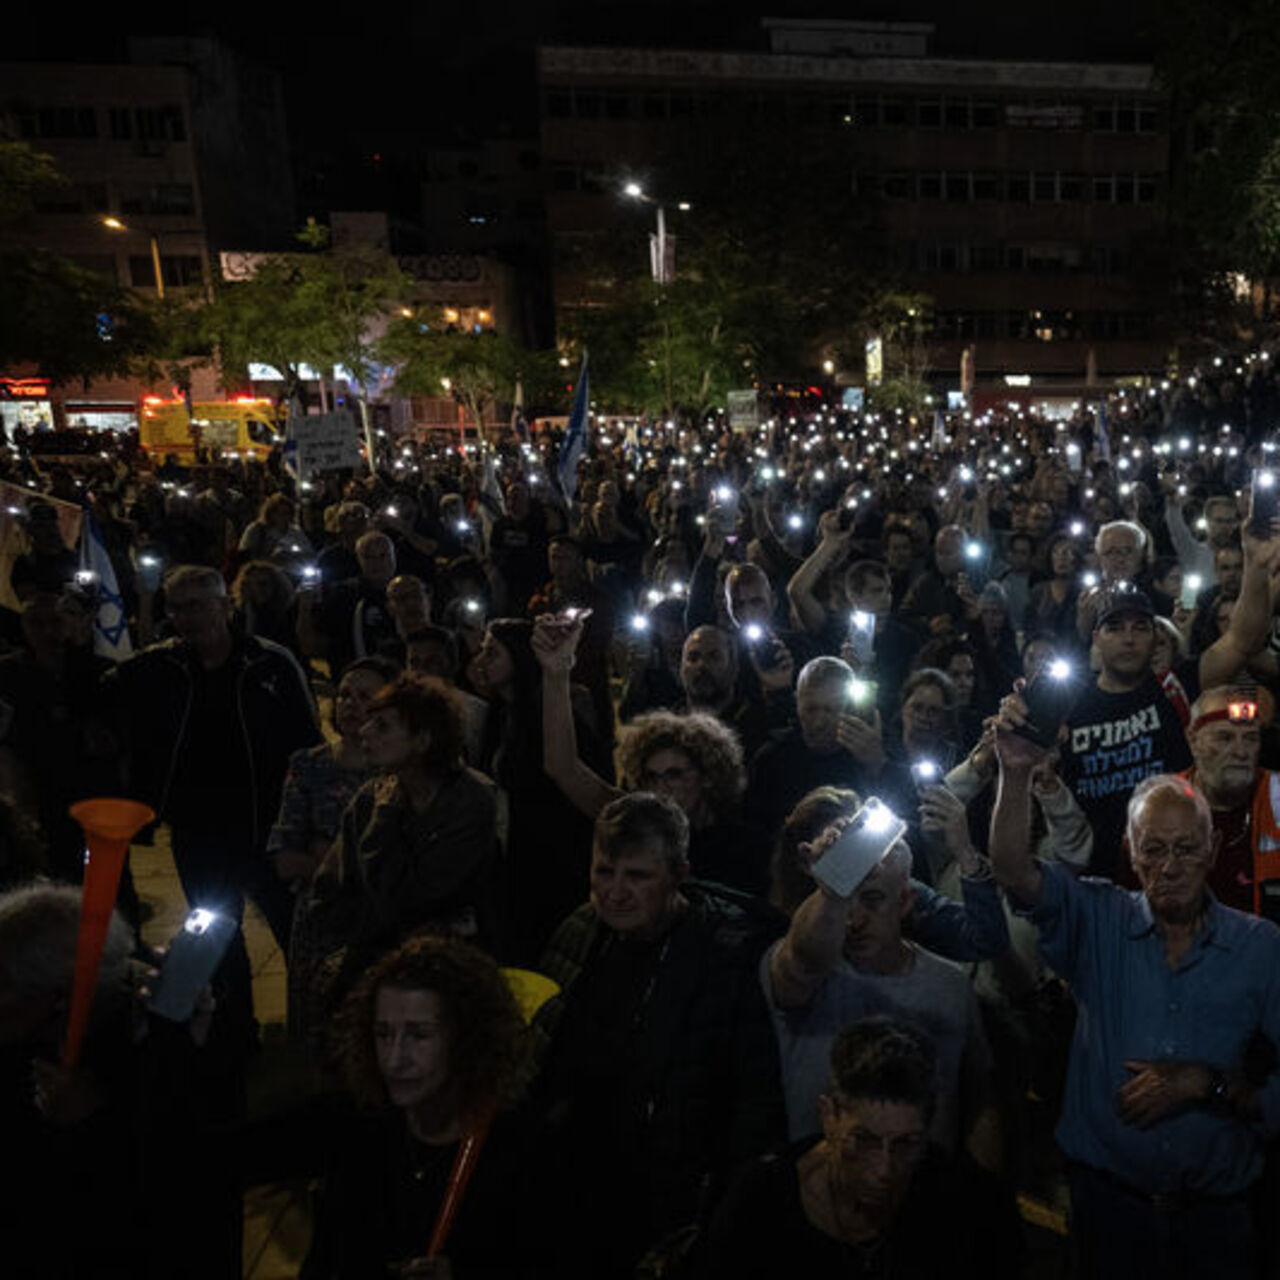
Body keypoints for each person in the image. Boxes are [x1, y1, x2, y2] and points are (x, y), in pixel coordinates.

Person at [988, 734, 1280, 1280]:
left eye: (1186, 848)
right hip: (1109, 1208)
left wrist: (1210, 1084)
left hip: (1217, 1218)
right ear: (1130, 850)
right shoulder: (1098, 916)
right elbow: (1012, 871)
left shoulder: (1261, 947)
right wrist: (1016, 772)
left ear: (1212, 852)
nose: (1169, 866)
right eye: (1153, 848)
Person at [533, 792, 785, 1279]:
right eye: (605, 872)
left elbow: (754, 1092)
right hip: (580, 1185)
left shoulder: (727, 955)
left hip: (672, 1197)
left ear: (678, 874)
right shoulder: (582, 932)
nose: (616, 892)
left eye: (638, 876)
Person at [103, 565, 320, 1022]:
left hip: (267, 826)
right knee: (217, 931)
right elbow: (102, 689)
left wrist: (309, 822)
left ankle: (320, 1025)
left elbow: (309, 747)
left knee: (296, 931)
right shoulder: (158, 669)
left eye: (197, 605)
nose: (186, 617)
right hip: (197, 830)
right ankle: (235, 1027)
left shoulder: (270, 664)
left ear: (225, 605)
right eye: (177, 607)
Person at [302, 934, 548, 1279]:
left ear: (467, 1039)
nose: (394, 1059)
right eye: (384, 1033)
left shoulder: (522, 1151)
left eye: (419, 1035)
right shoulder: (362, 1127)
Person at [699, 1018, 1021, 1279]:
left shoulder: (963, 1203)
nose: (885, 1169)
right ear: (829, 1116)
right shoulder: (760, 1203)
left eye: (906, 1144)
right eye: (864, 1140)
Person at [763, 811, 999, 1166]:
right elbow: (805, 959)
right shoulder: (806, 974)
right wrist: (831, 890)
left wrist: (984, 1195)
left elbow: (982, 1098)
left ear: (904, 901)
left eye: (871, 899)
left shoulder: (950, 985)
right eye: (846, 899)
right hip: (819, 1189)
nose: (853, 920)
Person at [305, 673, 500, 1014]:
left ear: (422, 740)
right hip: (373, 965)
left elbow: (411, 898)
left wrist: (385, 818)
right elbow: (331, 886)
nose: (364, 733)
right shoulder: (370, 798)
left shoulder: (468, 802)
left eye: (382, 726)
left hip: (448, 971)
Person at [1054, 583, 1192, 873]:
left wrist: (1256, 566)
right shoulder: (1068, 705)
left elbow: (1240, 643)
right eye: (1115, 628)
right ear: (1096, 638)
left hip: (1172, 867)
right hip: (1092, 872)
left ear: (1155, 637)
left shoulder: (1175, 689)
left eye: (1140, 628)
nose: (1128, 638)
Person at [746, 657, 885, 842]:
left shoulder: (866, 757)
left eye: (830, 710)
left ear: (849, 708)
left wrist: (878, 768)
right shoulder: (771, 759)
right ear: (797, 703)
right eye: (811, 709)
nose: (819, 723)